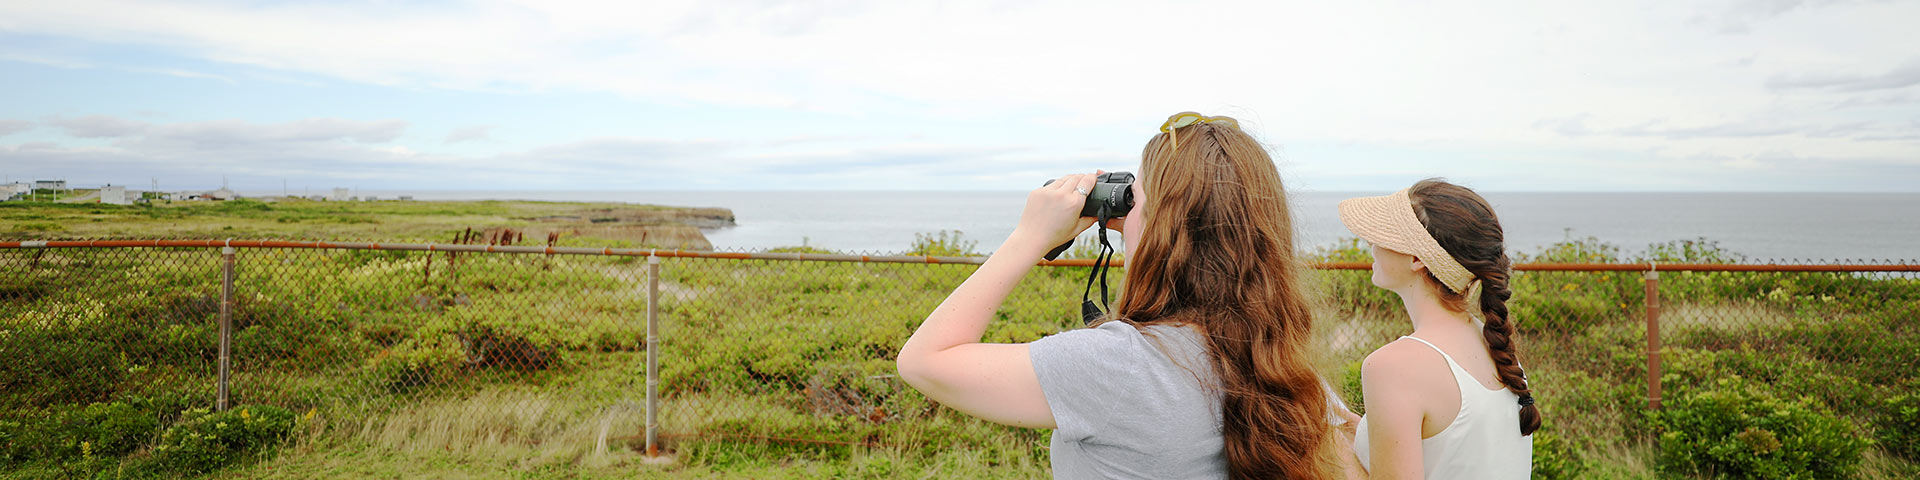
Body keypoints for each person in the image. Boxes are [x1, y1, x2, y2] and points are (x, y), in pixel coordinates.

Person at [897, 112, 1341, 479]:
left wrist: (1029, 237)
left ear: (1161, 228)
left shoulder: (1118, 367)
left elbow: (923, 362)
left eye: (1135, 199)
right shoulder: (1287, 373)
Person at [1334, 180, 1538, 479]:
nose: (1371, 244)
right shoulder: (1494, 345)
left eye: (1383, 234)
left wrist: (1338, 456)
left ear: (1418, 259)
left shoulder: (1393, 367)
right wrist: (1366, 435)